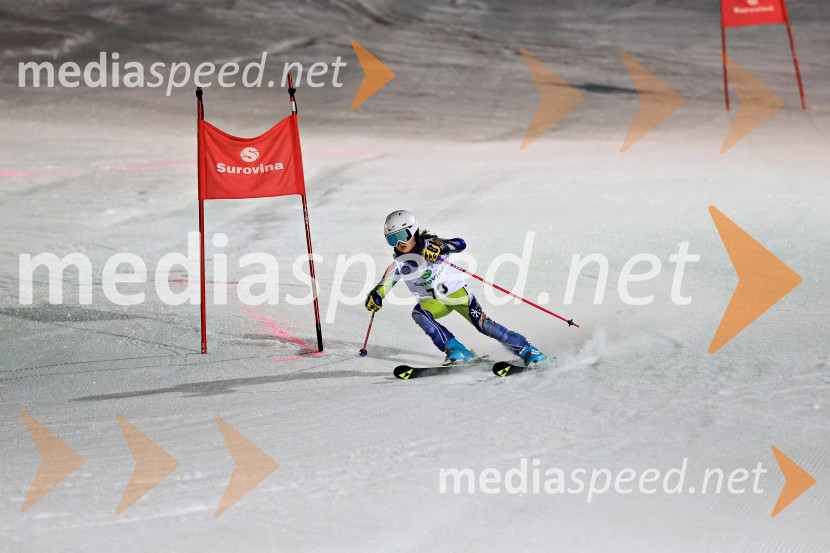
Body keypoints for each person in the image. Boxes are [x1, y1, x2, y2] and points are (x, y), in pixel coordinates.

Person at [365, 210, 548, 366]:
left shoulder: (431, 244)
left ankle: (528, 350)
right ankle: (457, 350)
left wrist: (442, 248)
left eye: (401, 236)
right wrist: (377, 296)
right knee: (419, 314)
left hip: (457, 295)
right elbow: (385, 284)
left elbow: (460, 243)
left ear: (413, 231)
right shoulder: (398, 263)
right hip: (433, 303)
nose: (399, 243)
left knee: (484, 326)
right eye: (392, 239)